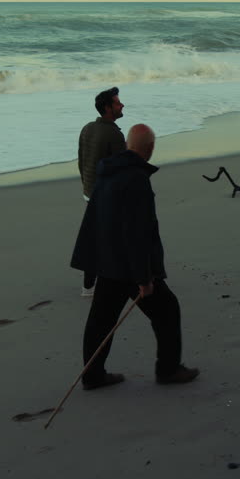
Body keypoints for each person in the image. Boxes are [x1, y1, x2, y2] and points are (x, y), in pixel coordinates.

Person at [70, 123, 200, 390]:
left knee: (101, 321)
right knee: (167, 310)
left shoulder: (107, 170)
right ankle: (168, 369)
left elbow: (97, 217)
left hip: (107, 259)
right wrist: (144, 276)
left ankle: (92, 376)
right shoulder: (136, 179)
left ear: (129, 145)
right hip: (126, 265)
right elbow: (138, 232)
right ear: (150, 149)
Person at [76, 87, 126, 297]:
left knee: (97, 236)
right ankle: (98, 285)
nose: (122, 105)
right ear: (107, 108)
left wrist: (88, 187)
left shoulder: (87, 128)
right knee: (109, 238)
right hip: (106, 196)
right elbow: (123, 169)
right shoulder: (113, 134)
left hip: (90, 191)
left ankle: (89, 285)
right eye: (117, 102)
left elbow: (81, 161)